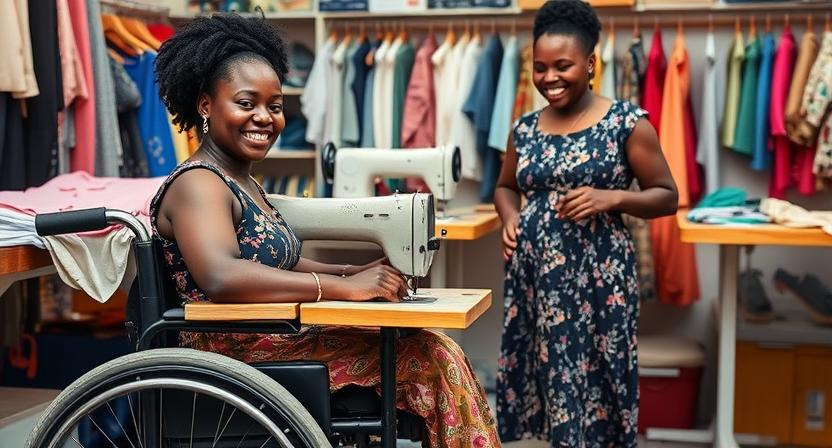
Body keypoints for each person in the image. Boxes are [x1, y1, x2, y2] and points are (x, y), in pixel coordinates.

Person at [151, 14, 498, 447]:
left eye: (275, 106)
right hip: (237, 357)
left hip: (272, 335)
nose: (264, 118)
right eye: (246, 103)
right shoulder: (199, 183)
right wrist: (341, 288)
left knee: (424, 340)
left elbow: (283, 261)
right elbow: (222, 275)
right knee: (431, 356)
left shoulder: (240, 181)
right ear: (206, 105)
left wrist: (353, 273)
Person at [493, 1, 678, 446]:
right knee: (549, 373)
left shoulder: (626, 123)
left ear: (590, 63)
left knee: (599, 375)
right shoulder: (524, 129)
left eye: (563, 66)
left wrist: (611, 197)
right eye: (540, 68)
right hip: (537, 279)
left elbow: (667, 196)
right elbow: (504, 187)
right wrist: (511, 217)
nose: (549, 78)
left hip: (599, 278)